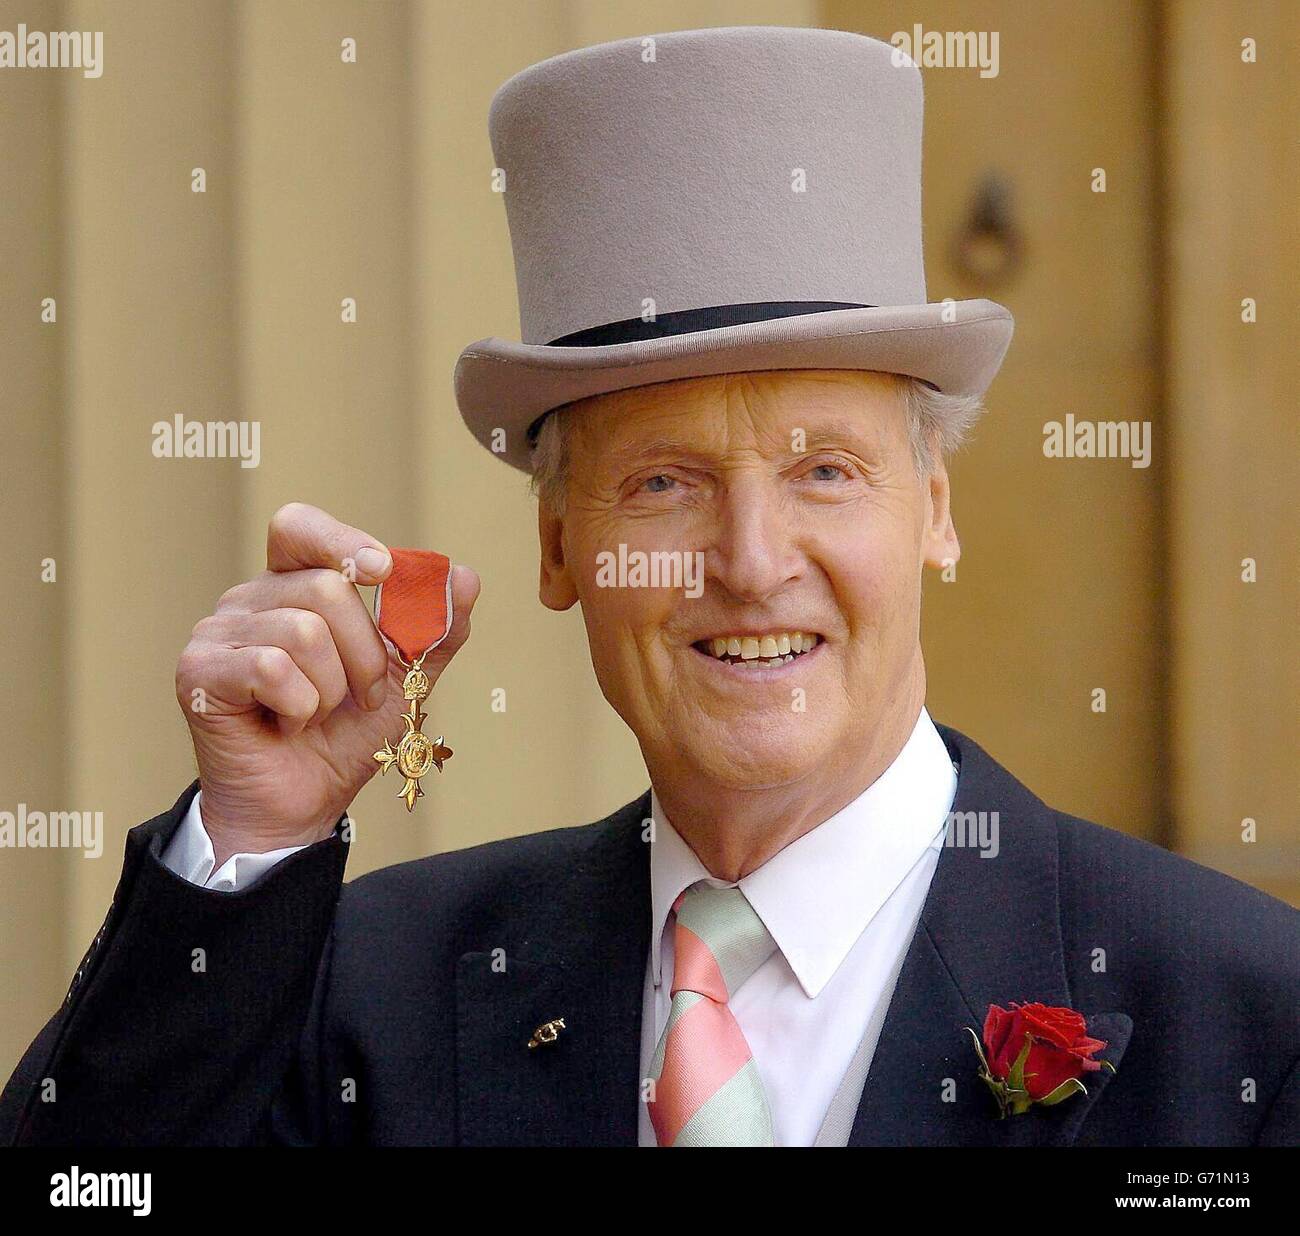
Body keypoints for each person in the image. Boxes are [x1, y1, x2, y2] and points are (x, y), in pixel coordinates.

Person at [3, 26, 1295, 1148]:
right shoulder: (378, 997)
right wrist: (251, 840)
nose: (751, 561)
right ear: (558, 549)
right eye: (666, 483)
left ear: (936, 511)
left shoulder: (1244, 1019)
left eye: (825, 472)